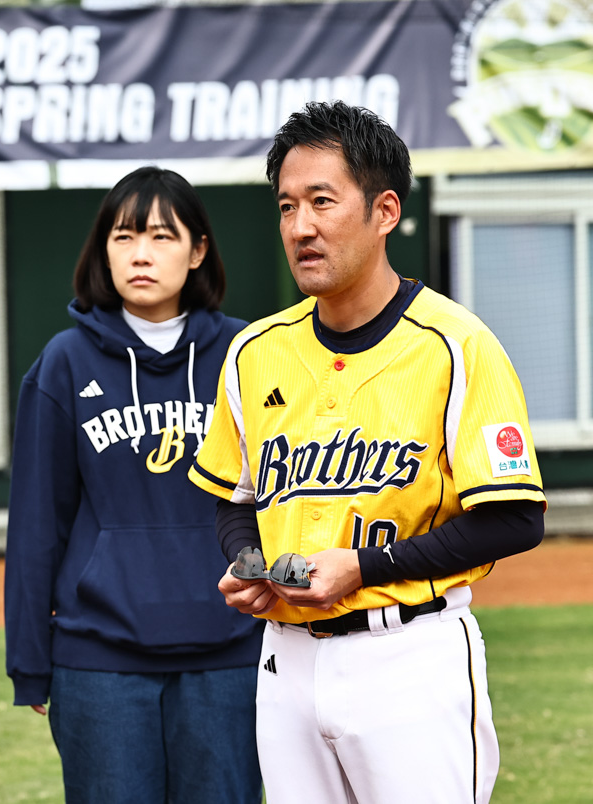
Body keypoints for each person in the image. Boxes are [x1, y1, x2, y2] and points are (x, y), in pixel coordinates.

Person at [190, 101, 547, 804]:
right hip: (285, 662)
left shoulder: (456, 345)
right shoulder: (255, 351)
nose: (301, 226)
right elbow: (236, 498)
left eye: (322, 201)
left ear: (385, 212)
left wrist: (364, 567)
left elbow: (514, 518)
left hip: (409, 654)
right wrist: (251, 563)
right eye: (287, 206)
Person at [5, 166, 265, 803]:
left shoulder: (248, 355)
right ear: (103, 250)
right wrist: (30, 661)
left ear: (198, 250)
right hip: (100, 661)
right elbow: (36, 523)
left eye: (161, 236)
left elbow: (280, 501)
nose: (140, 254)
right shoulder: (63, 363)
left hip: (229, 650)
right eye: (123, 237)